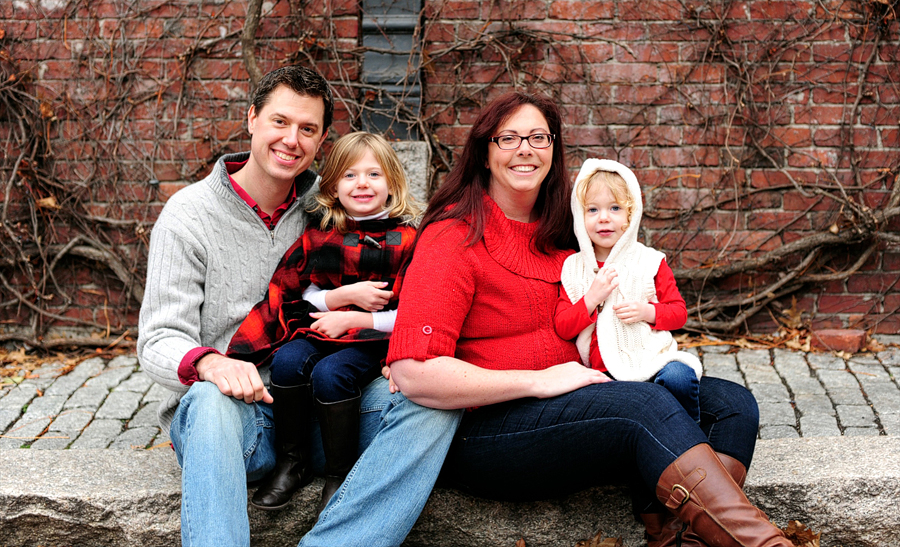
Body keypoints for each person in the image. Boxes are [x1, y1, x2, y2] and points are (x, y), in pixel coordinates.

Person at [296, 91, 790, 547]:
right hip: (488, 428)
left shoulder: (565, 234)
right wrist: (538, 380)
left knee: (733, 404)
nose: (524, 149)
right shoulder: (454, 236)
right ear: (484, 151)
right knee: (643, 406)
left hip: (581, 394)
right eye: (507, 138)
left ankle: (678, 540)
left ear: (554, 149)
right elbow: (413, 373)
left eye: (537, 137)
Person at [136, 65, 339, 547]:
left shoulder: (330, 210)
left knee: (421, 403)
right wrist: (208, 362)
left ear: (322, 139)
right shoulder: (188, 215)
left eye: (307, 129)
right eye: (280, 122)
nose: (292, 140)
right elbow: (158, 338)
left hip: (314, 414)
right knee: (208, 399)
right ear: (251, 118)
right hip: (231, 420)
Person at [226, 132, 419, 514]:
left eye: (374, 175)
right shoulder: (322, 235)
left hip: (374, 338)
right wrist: (340, 299)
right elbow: (302, 291)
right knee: (287, 361)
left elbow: (416, 314)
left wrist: (357, 317)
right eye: (350, 176)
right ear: (331, 187)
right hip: (324, 327)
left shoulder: (410, 240)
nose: (362, 183)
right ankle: (291, 461)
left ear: (393, 183)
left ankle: (338, 473)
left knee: (332, 375)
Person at [555, 158, 703, 422]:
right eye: (592, 210)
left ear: (630, 215)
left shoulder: (650, 261)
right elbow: (563, 327)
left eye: (615, 208)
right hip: (603, 372)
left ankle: (690, 437)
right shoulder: (573, 268)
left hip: (651, 361)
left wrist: (647, 311)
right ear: (580, 215)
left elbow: (679, 313)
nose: (604, 218)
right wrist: (591, 299)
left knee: (680, 377)